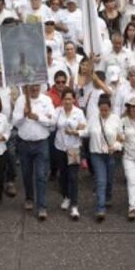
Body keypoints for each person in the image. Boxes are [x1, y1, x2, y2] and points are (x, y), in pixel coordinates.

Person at [12, 84, 56, 220]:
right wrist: (23, 115)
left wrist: (38, 117)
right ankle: (29, 197)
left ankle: (42, 206)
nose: (34, 89)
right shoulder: (21, 100)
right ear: (27, 87)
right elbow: (15, 122)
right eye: (32, 86)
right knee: (26, 174)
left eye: (37, 86)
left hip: (41, 143)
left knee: (41, 175)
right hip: (24, 144)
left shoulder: (46, 100)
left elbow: (52, 121)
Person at [88, 94, 122, 222]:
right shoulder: (93, 118)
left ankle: (108, 197)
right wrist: (77, 131)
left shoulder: (116, 119)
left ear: (110, 108)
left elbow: (122, 137)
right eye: (101, 110)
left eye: (106, 110)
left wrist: (116, 146)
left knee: (109, 180)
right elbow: (87, 131)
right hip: (96, 153)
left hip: (111, 154)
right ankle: (100, 208)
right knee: (101, 181)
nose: (103, 112)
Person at [54, 88, 87, 219]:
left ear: (74, 99)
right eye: (65, 99)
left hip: (74, 148)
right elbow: (52, 125)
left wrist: (76, 131)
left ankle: (74, 206)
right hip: (60, 147)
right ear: (62, 100)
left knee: (73, 176)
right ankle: (66, 196)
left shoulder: (78, 112)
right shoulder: (58, 111)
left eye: (70, 98)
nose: (67, 101)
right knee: (63, 175)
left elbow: (85, 128)